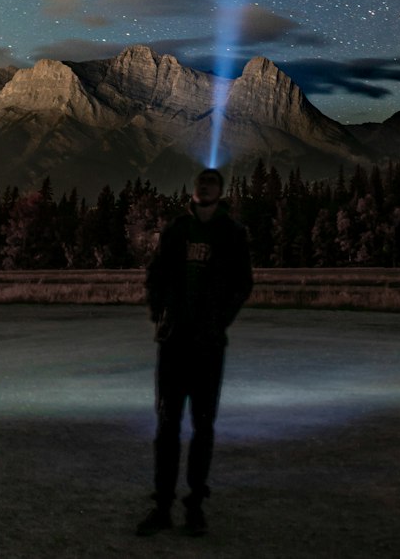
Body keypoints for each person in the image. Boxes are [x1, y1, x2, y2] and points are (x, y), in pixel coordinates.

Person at [136, 167, 253, 537]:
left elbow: (242, 283)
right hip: (174, 342)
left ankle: (195, 507)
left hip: (208, 344)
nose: (205, 187)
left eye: (212, 182)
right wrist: (159, 313)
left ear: (221, 190)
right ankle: (163, 506)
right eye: (201, 182)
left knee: (203, 427)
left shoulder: (232, 234)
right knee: (167, 426)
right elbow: (155, 275)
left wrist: (220, 322)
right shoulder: (175, 230)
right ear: (194, 188)